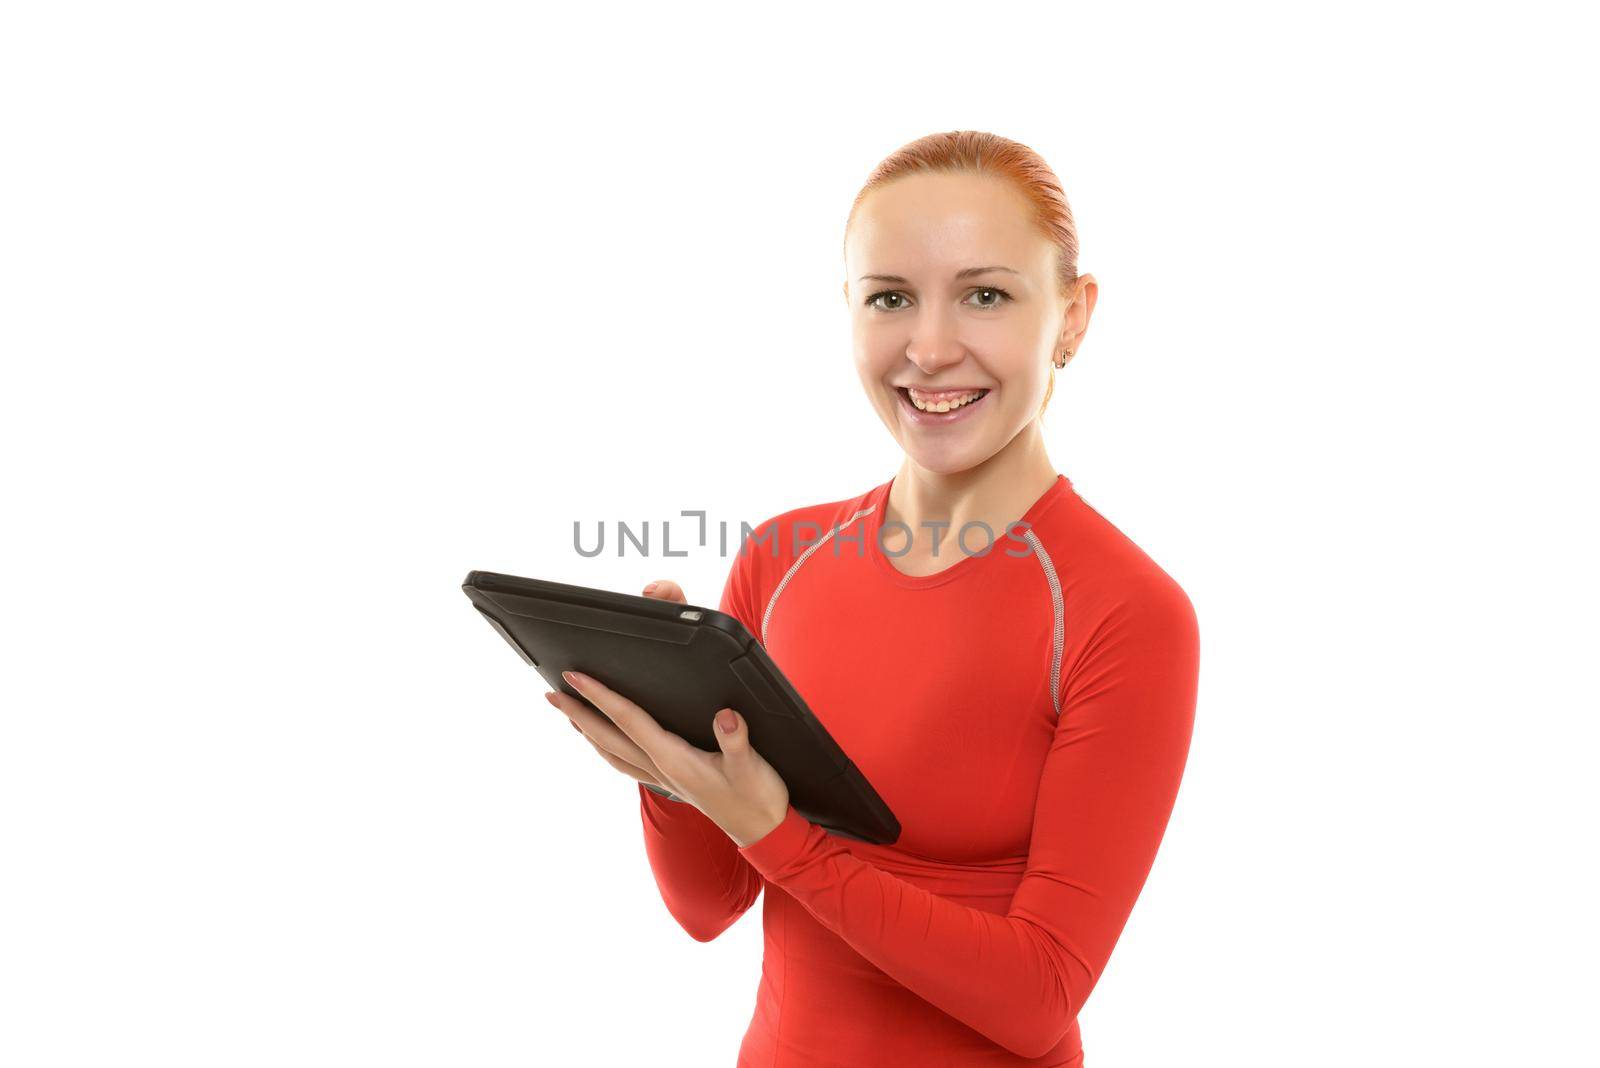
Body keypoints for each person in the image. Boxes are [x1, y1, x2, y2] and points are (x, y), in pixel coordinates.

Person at [543, 130, 1200, 1067]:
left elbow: (1037, 996)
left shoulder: (1124, 612)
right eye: (890, 298)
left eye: (986, 295)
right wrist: (670, 770)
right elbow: (706, 909)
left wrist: (780, 836)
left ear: (1072, 317)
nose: (929, 349)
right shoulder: (784, 557)